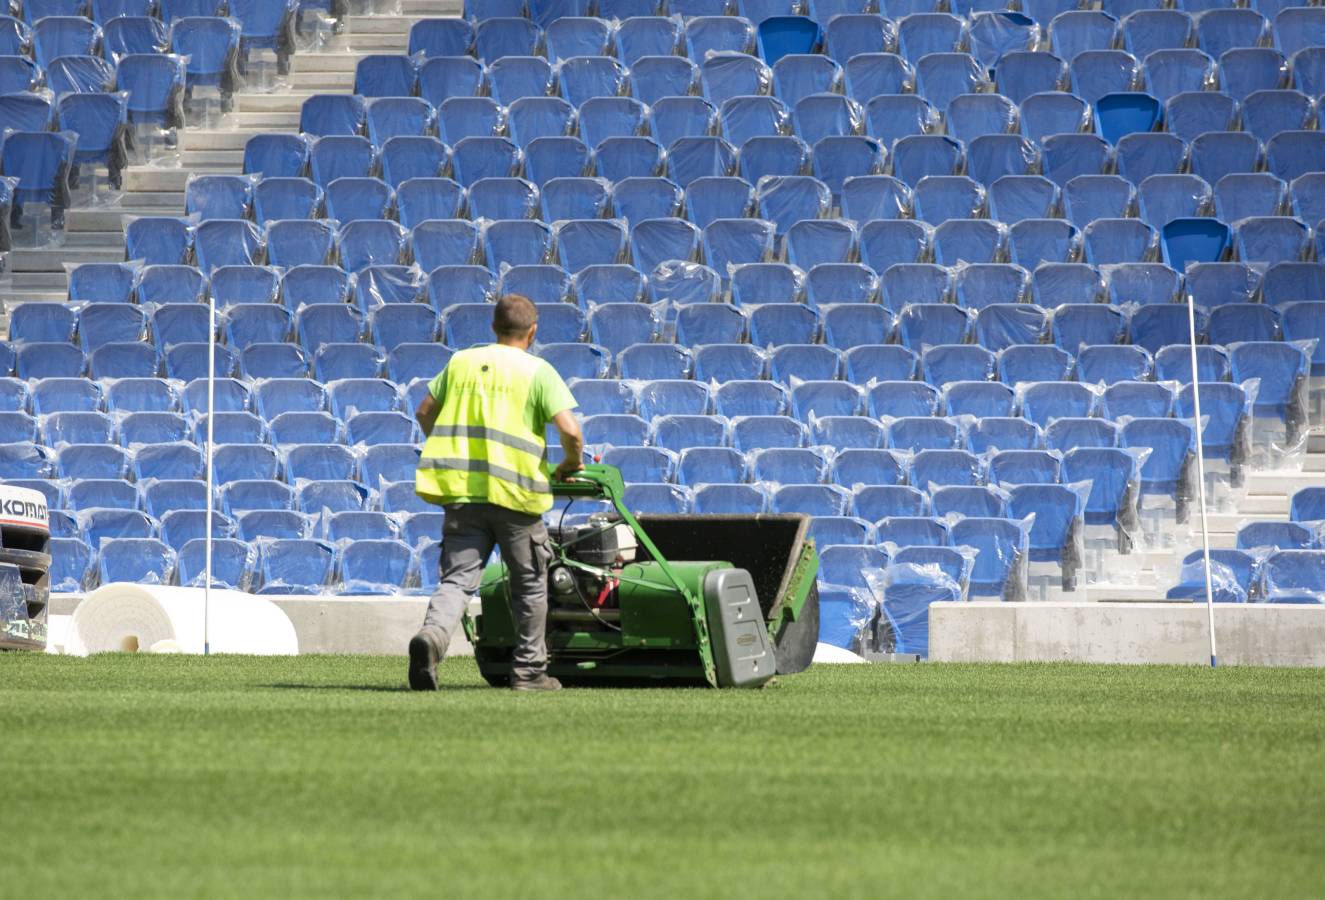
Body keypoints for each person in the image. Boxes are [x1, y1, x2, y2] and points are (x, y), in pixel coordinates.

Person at [408, 294, 584, 692]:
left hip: (463, 495)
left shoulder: (461, 362)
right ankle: (528, 674)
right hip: (517, 496)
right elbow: (571, 430)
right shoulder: (538, 370)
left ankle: (431, 639)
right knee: (529, 585)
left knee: (457, 581)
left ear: (493, 327)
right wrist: (570, 463)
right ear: (533, 331)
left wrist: (446, 446)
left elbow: (423, 411)